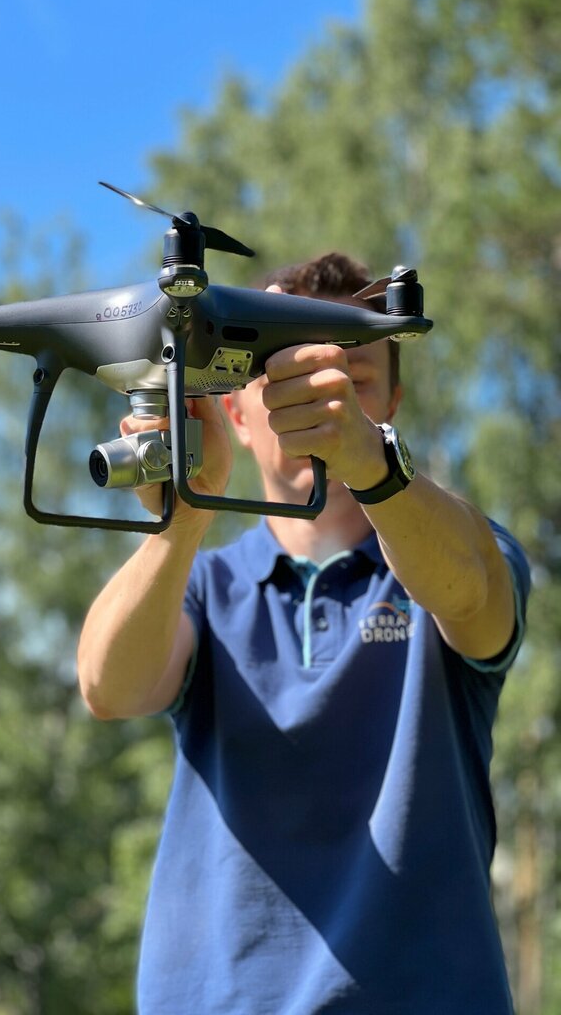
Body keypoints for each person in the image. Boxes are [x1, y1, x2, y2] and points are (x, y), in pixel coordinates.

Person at [76, 252, 530, 1014]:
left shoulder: (451, 549)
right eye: (279, 373)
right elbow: (108, 687)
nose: (323, 396)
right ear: (235, 411)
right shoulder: (205, 585)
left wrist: (372, 464)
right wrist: (185, 516)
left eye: (353, 377)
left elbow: (474, 591)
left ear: (392, 403)